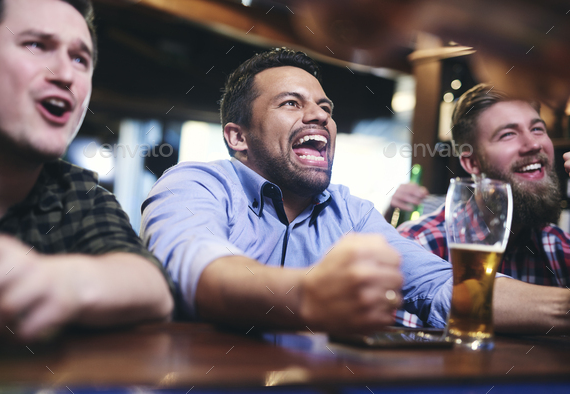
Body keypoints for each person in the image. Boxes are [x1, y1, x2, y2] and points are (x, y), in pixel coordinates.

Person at [141, 49, 569, 334]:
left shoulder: (352, 214)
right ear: (238, 137)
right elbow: (197, 268)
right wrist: (310, 295)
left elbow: (447, 288)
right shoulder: (196, 183)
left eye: (325, 108)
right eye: (291, 103)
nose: (319, 117)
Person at [0, 0, 174, 341]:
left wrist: (60, 281)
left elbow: (153, 287)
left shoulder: (77, 193)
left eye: (79, 59)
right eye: (37, 45)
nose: (65, 75)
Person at [397, 83, 570, 327]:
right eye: (508, 134)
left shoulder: (560, 248)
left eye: (538, 129)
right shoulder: (420, 245)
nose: (533, 144)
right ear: (472, 163)